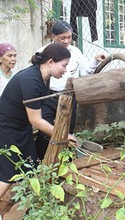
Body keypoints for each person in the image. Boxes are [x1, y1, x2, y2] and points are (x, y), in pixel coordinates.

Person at [0, 43, 73, 220]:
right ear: (50, 62)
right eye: (64, 65)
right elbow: (36, 119)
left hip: (20, 125)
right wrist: (63, 135)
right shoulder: (30, 80)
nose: (65, 70)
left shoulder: (43, 77)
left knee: (28, 162)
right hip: (6, 126)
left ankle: (25, 197)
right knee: (10, 168)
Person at [35, 20, 105, 160]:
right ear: (53, 36)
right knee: (46, 129)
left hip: (69, 96)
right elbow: (37, 76)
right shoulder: (43, 52)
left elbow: (84, 72)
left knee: (67, 129)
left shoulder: (75, 52)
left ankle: (63, 161)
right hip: (48, 96)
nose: (67, 41)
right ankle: (40, 160)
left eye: (69, 37)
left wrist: (95, 60)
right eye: (63, 37)